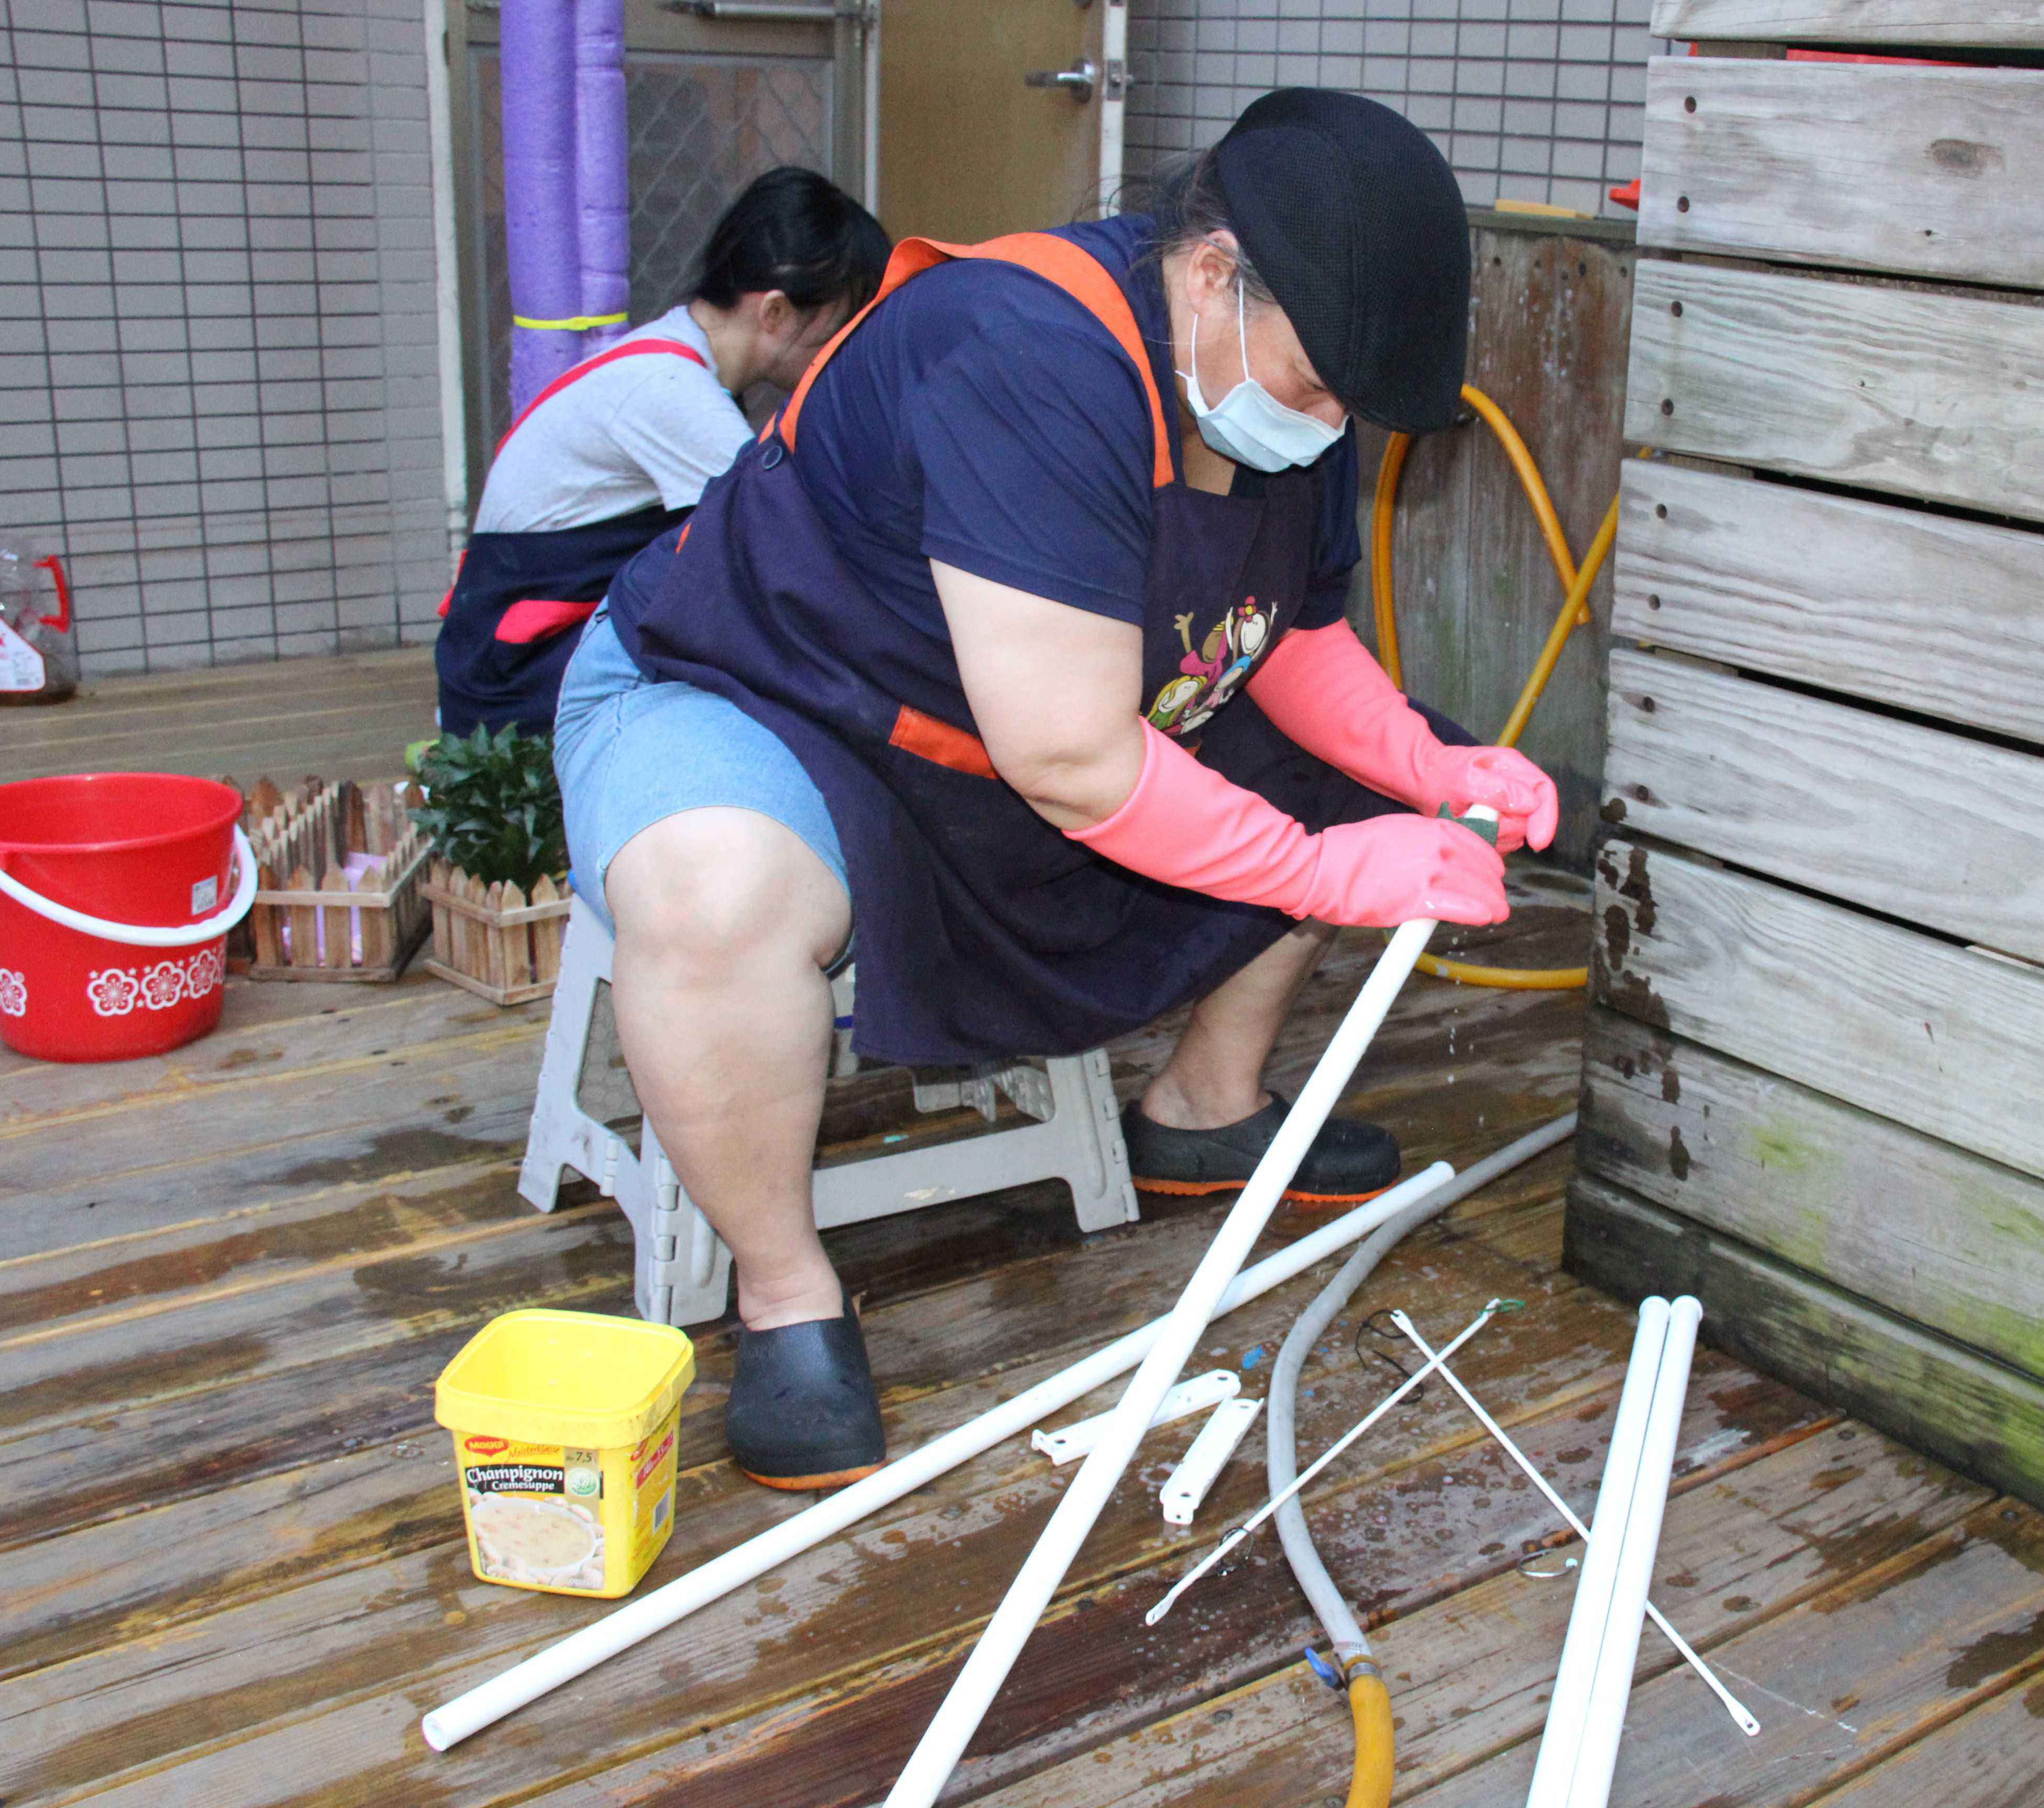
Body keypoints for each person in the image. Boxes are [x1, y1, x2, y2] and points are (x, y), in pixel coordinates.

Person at [553, 90, 1559, 1490]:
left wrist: (1427, 765)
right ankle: (783, 1292)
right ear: (1210, 274)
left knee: (1347, 782)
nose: (1331, 423)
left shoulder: (1274, 387)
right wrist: (1330, 871)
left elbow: (1283, 636)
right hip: (769, 687)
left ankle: (1205, 1108)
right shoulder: (1028, 354)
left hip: (1008, 734)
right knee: (714, 885)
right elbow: (1075, 762)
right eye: (1320, 383)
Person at [434, 167, 890, 736]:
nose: (844, 350)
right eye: (842, 327)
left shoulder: (673, 359)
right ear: (774, 312)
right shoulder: (672, 390)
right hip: (510, 690)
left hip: (506, 658)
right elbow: (793, 544)